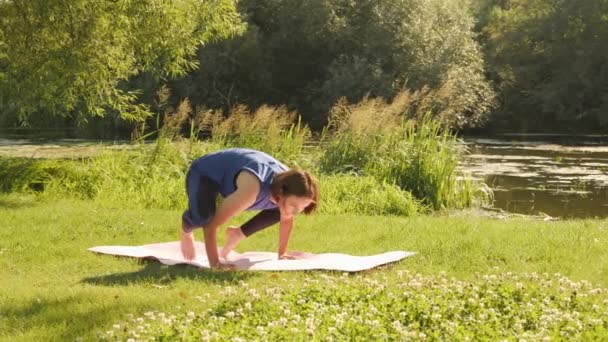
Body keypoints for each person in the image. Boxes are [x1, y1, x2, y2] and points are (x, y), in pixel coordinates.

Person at [180, 147, 319, 269]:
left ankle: (237, 233)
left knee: (281, 211)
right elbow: (211, 226)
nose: (296, 211)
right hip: (205, 172)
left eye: (303, 207)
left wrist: (282, 254)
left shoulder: (293, 185)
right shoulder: (251, 189)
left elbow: (287, 219)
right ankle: (186, 230)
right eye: (294, 205)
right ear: (281, 193)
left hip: (235, 171)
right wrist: (215, 264)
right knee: (203, 218)